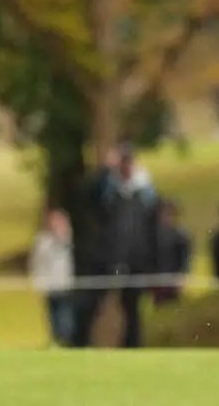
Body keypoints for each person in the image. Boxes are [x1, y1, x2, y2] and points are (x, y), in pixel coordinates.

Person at [71, 143, 160, 348]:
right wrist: (104, 170)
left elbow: (153, 229)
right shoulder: (107, 188)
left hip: (136, 260)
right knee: (92, 304)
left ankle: (131, 349)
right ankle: (79, 345)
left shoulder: (146, 194)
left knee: (132, 310)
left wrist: (152, 262)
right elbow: (87, 197)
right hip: (106, 259)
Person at [28, 208, 75, 347]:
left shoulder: (68, 239)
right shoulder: (43, 241)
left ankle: (65, 339)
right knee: (53, 314)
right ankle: (56, 339)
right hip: (50, 284)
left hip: (65, 284)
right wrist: (38, 280)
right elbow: (37, 262)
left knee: (65, 314)